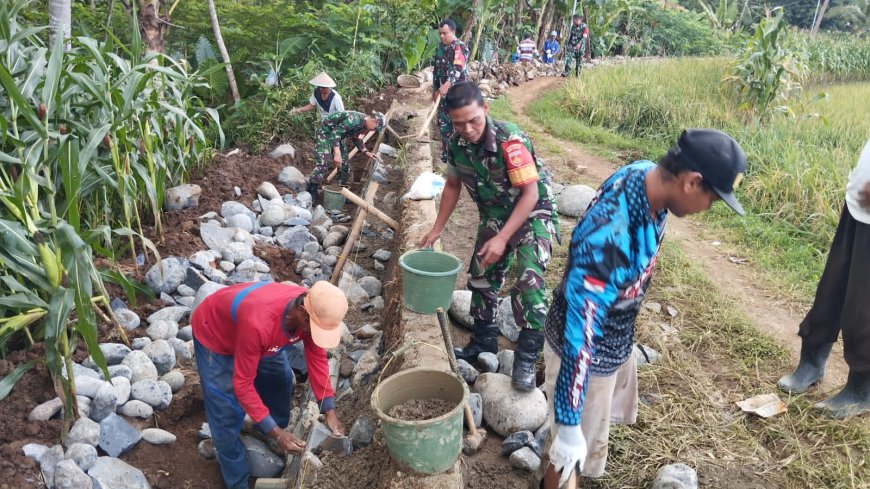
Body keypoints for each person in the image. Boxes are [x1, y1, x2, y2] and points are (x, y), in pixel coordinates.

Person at [538, 129, 747, 488]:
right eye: (712, 200)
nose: (706, 210)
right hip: (585, 354)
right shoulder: (609, 235)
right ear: (692, 182)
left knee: (571, 449)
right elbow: (580, 332)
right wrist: (571, 420)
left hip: (613, 336)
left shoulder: (645, 175)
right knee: (568, 455)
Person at [420, 81, 558, 392]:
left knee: (529, 278)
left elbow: (530, 193)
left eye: (473, 120)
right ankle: (483, 341)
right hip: (496, 213)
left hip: (533, 211)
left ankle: (526, 355)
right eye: (459, 123)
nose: (467, 129)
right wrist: (437, 228)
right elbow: (453, 186)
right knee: (481, 273)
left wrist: (502, 238)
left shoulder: (510, 139)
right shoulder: (456, 144)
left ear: (485, 109)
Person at [191, 281, 349, 489]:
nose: (314, 335)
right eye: (316, 330)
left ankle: (265, 430)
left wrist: (329, 410)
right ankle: (238, 482)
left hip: (258, 337)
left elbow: (317, 356)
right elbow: (243, 385)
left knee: (279, 379)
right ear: (303, 314)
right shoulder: (259, 323)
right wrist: (278, 433)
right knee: (226, 412)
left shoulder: (310, 307)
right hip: (217, 334)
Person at [777, 140, 870, 419]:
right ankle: (811, 364)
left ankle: (860, 391)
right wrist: (852, 191)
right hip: (857, 210)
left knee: (862, 309)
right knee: (830, 292)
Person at [307, 110, 385, 205]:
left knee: (345, 167)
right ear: (373, 121)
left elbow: (358, 138)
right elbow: (336, 133)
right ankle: (312, 190)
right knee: (323, 162)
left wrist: (366, 151)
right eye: (376, 128)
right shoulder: (353, 120)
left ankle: (342, 193)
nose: (374, 131)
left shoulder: (364, 126)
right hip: (326, 132)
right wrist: (337, 153)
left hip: (339, 137)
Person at [431, 19, 469, 164]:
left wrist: (448, 84)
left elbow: (458, 68)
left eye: (444, 33)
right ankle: (448, 154)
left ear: (453, 32)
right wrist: (435, 88)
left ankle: (463, 157)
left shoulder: (460, 47)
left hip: (458, 94)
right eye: (440, 33)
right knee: (444, 124)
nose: (441, 36)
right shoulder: (440, 48)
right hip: (443, 94)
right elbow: (436, 70)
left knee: (459, 125)